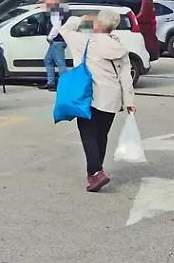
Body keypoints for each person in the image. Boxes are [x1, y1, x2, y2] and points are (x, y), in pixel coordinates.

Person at [57, 10, 136, 192]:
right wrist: (129, 101)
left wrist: (80, 19)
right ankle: (94, 175)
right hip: (112, 97)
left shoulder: (84, 41)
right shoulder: (119, 47)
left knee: (87, 133)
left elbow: (65, 29)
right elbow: (126, 76)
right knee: (101, 135)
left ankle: (96, 172)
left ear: (97, 24)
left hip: (89, 95)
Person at [41, 0, 71, 91]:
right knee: (48, 60)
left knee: (60, 63)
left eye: (47, 2)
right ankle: (51, 82)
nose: (46, 4)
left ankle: (64, 85)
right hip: (59, 40)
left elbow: (57, 26)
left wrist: (50, 37)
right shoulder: (62, 9)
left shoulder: (56, 11)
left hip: (57, 40)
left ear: (52, 2)